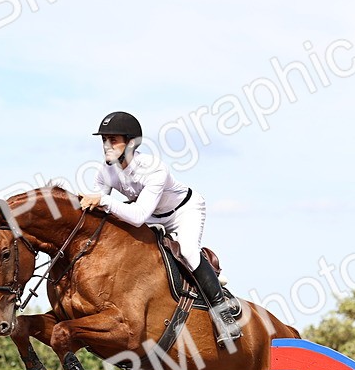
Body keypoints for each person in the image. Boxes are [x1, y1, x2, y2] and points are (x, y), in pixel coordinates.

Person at [78, 110, 242, 346]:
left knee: (187, 251)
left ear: (131, 143)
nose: (106, 145)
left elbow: (136, 216)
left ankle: (224, 314)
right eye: (104, 140)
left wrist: (102, 201)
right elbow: (96, 209)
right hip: (152, 214)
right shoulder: (105, 172)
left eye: (113, 140)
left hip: (183, 211)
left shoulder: (154, 168)